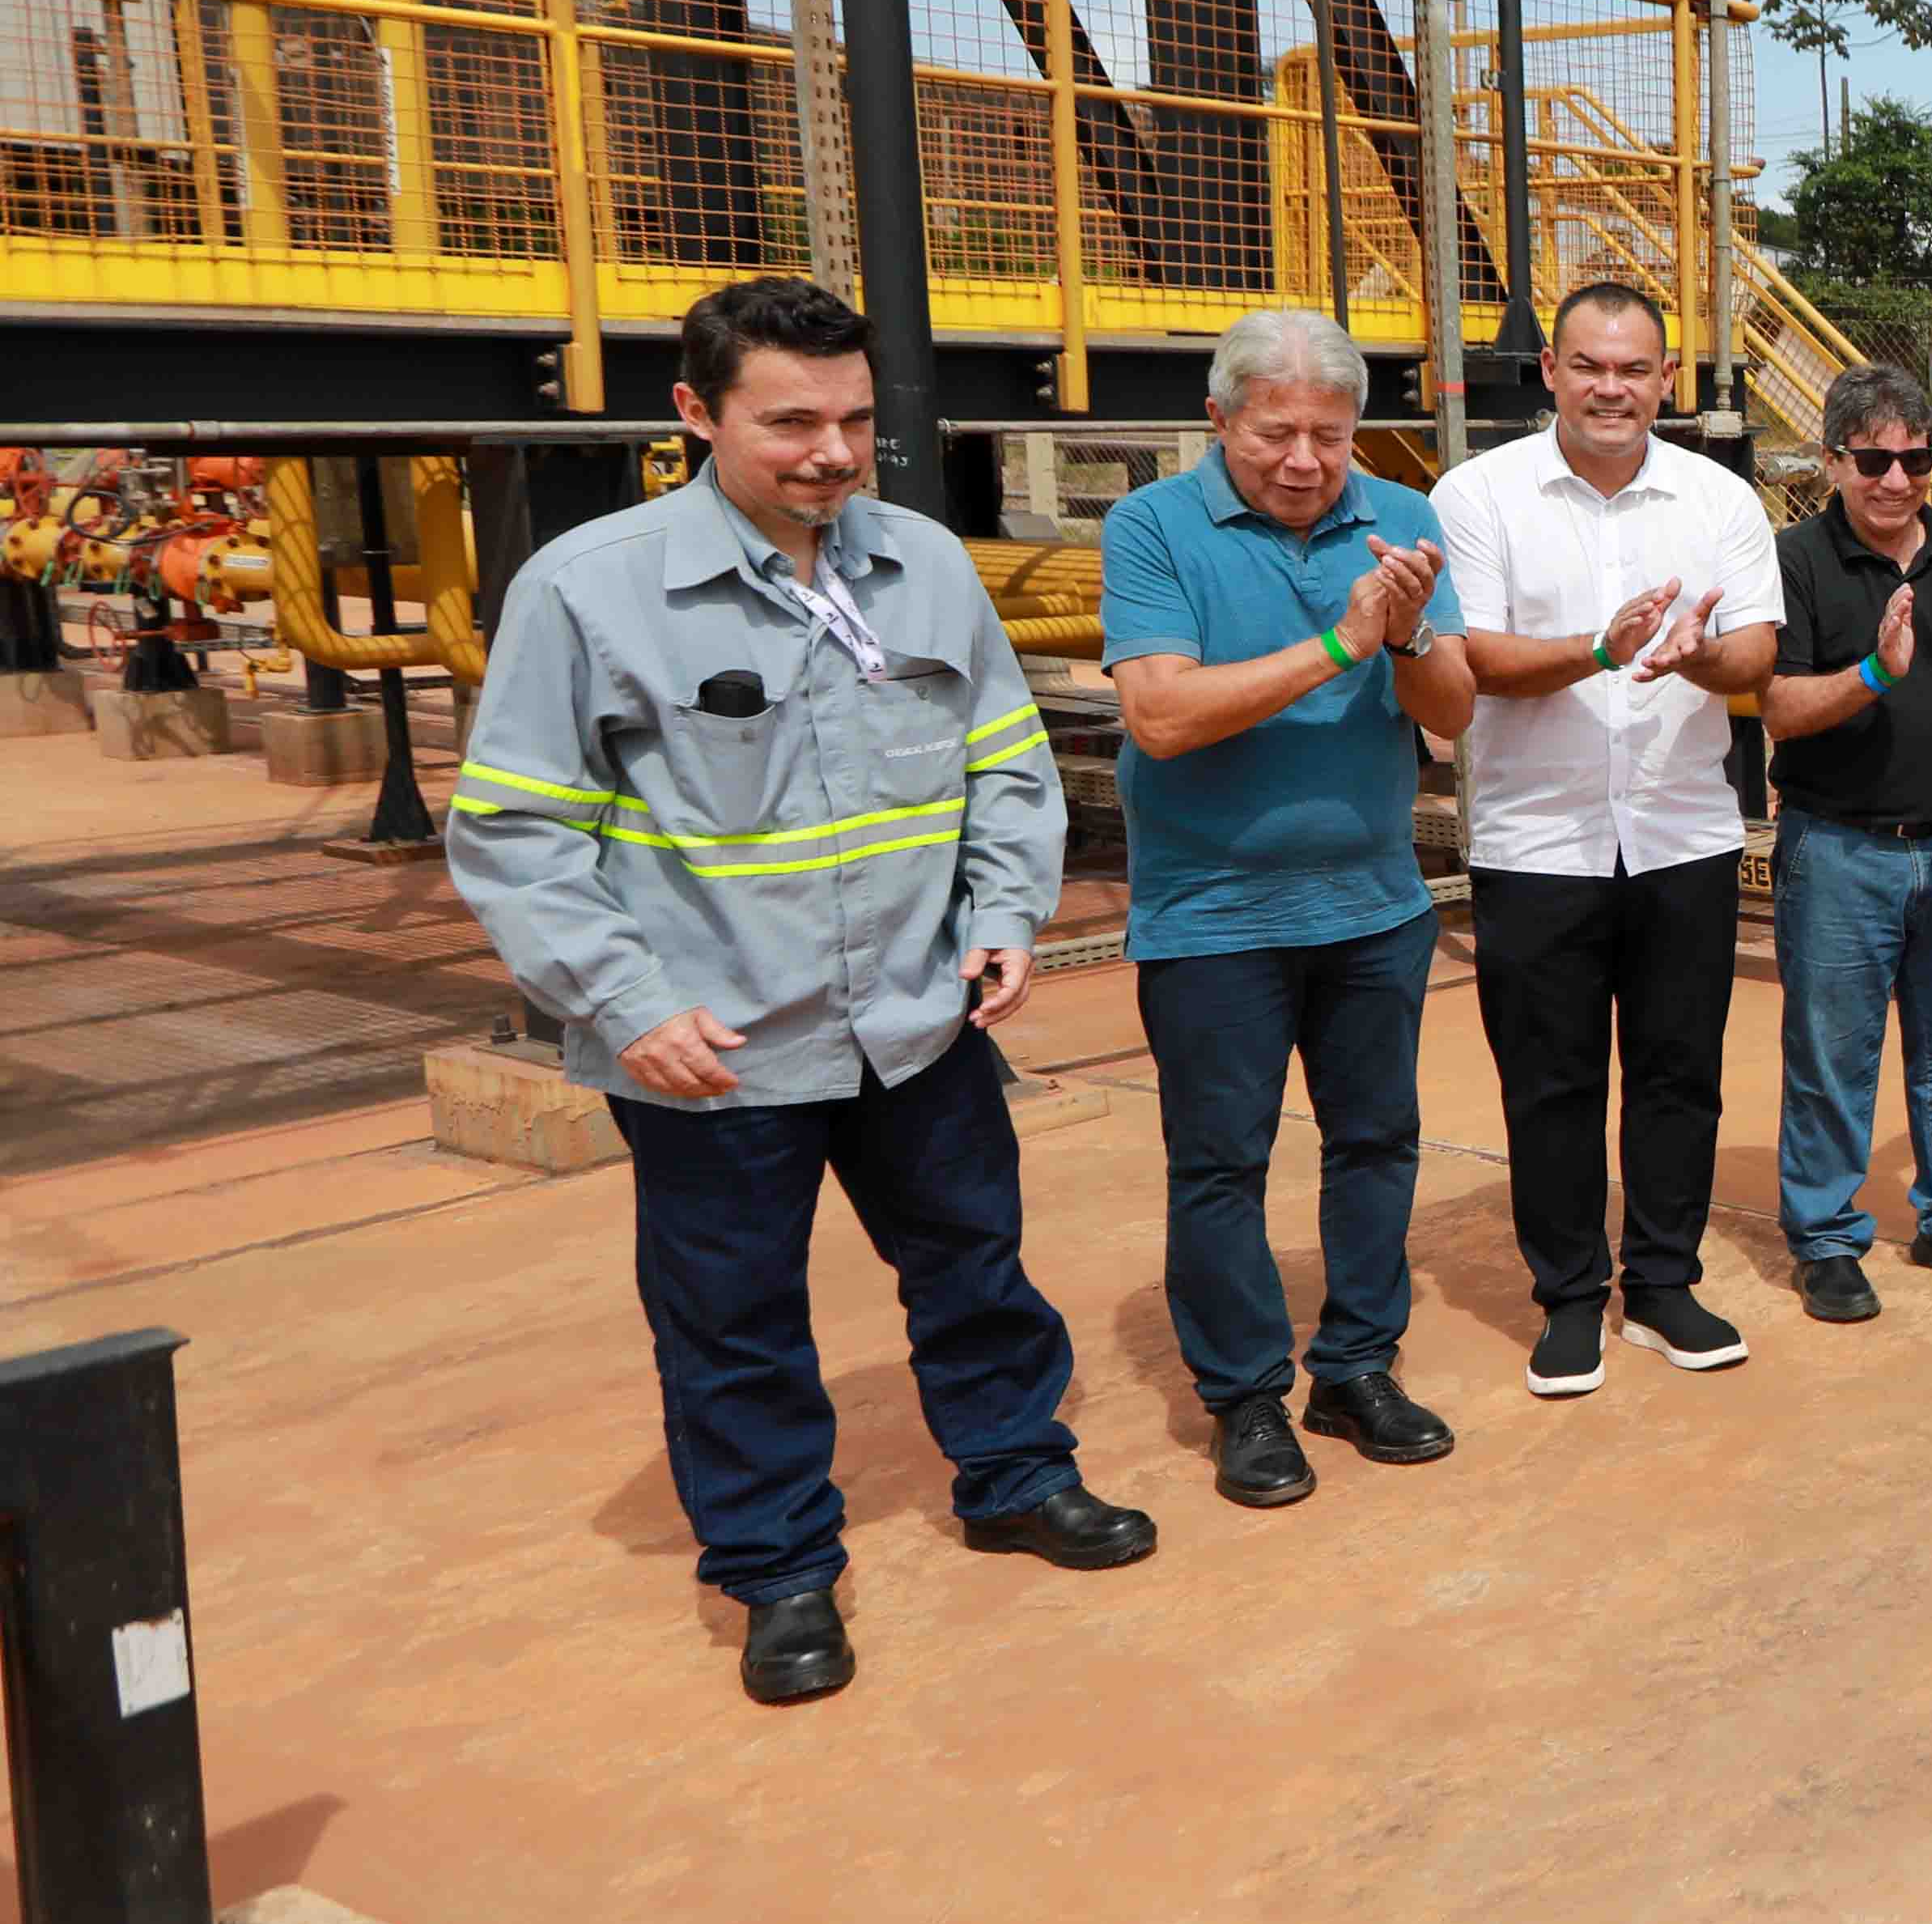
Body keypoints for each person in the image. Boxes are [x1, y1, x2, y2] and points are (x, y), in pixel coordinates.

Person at [445, 274, 1142, 1708]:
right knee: (734, 1317)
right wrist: (625, 1003)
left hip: (915, 1019)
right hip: (716, 1045)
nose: (831, 453)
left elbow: (1004, 763)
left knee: (974, 1264)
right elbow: (514, 831)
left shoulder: (927, 568)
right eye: (790, 424)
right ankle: (777, 1573)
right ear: (695, 413)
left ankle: (1012, 1474)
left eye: (854, 421)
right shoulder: (590, 589)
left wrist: (1002, 913)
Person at [1098, 309, 1477, 1508]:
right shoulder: (1152, 527)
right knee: (1220, 1163)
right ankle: (1246, 1396)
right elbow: (1161, 715)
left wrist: (1409, 634)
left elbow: (1454, 712)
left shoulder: (1404, 520)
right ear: (1218, 422)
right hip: (1215, 914)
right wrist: (1343, 639)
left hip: (1373, 905)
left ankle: (1357, 1364)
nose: (1308, 461)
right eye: (1276, 435)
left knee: (1377, 1143)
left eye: (1332, 434)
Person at [1429, 281, 1785, 1392]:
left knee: (1680, 1071)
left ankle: (1665, 1285)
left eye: (1634, 370)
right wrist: (1600, 647)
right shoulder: (1477, 496)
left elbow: (1758, 654)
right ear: (1551, 372)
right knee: (1552, 1080)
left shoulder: (1719, 501)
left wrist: (1695, 658)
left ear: (1666, 379)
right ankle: (1571, 1296)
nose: (1611, 389)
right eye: (1590, 366)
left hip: (1681, 833)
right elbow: (1476, 657)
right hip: (1537, 841)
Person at [1756, 363, 1932, 1320]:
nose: (1895, 480)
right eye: (1873, 460)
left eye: (1915, 460)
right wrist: (1876, 668)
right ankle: (1827, 1235)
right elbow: (1781, 710)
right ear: (1833, 460)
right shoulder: (1794, 560)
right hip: (1838, 848)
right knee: (1834, 1050)